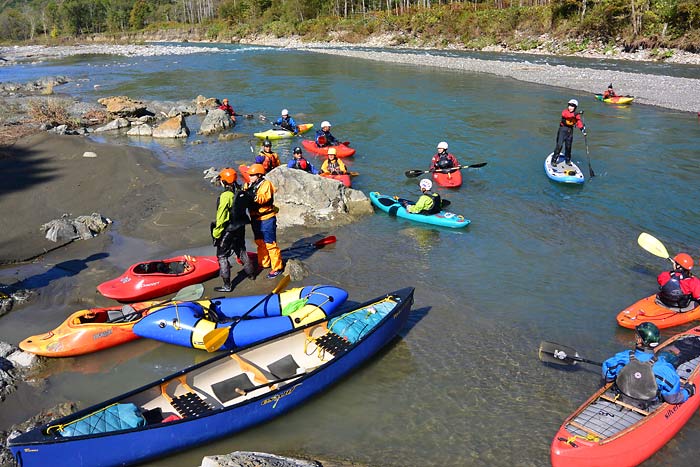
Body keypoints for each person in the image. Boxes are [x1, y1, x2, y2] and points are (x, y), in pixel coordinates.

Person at [602, 322, 694, 405]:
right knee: (668, 358)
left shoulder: (621, 358)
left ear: (639, 340)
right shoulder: (664, 368)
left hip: (622, 395)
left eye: (636, 336)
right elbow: (672, 398)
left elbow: (607, 373)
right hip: (647, 404)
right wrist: (688, 391)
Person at [211, 168, 254, 292]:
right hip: (240, 228)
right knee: (241, 251)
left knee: (222, 255)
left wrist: (217, 232)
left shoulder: (226, 196)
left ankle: (227, 285)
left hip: (228, 230)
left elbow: (221, 217)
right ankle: (251, 274)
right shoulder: (239, 192)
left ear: (224, 182)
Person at [244, 163, 283, 279]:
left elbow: (263, 199)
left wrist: (252, 196)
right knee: (260, 242)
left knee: (270, 244)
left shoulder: (266, 185)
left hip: (266, 219)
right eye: (249, 175)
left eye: (252, 175)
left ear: (259, 175)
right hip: (255, 219)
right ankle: (264, 262)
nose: (250, 177)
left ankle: (277, 267)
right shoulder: (248, 185)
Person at [552, 98, 587, 166]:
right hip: (562, 130)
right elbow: (567, 115)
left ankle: (567, 160)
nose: (570, 107)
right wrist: (577, 113)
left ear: (575, 107)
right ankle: (554, 160)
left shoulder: (577, 115)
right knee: (559, 145)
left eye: (572, 106)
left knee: (568, 147)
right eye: (570, 105)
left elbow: (578, 122)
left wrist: (582, 129)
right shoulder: (565, 112)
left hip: (570, 131)